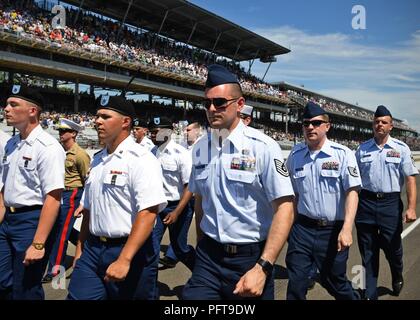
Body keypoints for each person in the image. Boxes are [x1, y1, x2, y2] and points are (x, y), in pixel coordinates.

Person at [183, 64, 295, 300]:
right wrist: (202, 243)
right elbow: (200, 200)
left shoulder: (263, 147)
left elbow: (285, 208)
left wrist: (263, 267)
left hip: (250, 258)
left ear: (240, 104)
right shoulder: (201, 148)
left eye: (220, 102)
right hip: (208, 257)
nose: (212, 109)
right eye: (207, 103)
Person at [67, 96, 167, 300]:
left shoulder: (142, 159)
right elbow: (88, 210)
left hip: (130, 250)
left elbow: (148, 212)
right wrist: (79, 249)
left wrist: (124, 259)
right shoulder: (98, 160)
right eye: (97, 116)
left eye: (105, 116)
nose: (97, 121)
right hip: (93, 249)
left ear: (125, 122)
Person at [285, 102, 361, 300]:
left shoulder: (343, 154)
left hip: (332, 230)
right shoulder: (295, 155)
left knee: (333, 280)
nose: (310, 127)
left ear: (327, 126)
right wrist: (288, 228)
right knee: (296, 280)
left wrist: (346, 229)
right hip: (302, 229)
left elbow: (352, 192)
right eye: (306, 123)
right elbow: (292, 195)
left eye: (316, 123)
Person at [0, 85, 65, 300]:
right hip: (7, 220)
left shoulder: (48, 147)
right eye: (7, 104)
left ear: (32, 111)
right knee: (3, 282)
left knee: (25, 288)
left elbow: (53, 199)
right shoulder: (11, 144)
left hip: (32, 220)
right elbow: (3, 189)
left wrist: (38, 243)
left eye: (13, 104)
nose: (6, 108)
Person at [355, 105, 418, 300]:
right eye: (376, 121)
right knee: (368, 252)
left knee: (392, 248)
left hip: (390, 204)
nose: (379, 125)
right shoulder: (361, 149)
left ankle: (397, 271)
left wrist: (411, 208)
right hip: (365, 203)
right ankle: (369, 293)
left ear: (391, 126)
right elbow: (353, 181)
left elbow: (410, 179)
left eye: (384, 122)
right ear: (372, 125)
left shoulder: (400, 149)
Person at [42, 118, 91, 283]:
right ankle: (85, 246)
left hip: (72, 194)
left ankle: (56, 269)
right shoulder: (58, 151)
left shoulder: (80, 154)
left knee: (60, 232)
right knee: (64, 230)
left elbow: (87, 181)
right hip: (59, 192)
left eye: (64, 131)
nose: (60, 134)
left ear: (74, 134)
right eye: (60, 131)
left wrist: (84, 203)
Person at [147, 116, 195, 274]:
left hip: (178, 206)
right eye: (151, 132)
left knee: (179, 248)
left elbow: (190, 186)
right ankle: (149, 290)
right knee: (151, 247)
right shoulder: (152, 152)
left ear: (169, 131)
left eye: (156, 132)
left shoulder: (181, 154)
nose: (153, 135)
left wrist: (177, 212)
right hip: (157, 206)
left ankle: (201, 273)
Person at [160, 121, 203, 269]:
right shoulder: (183, 147)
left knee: (181, 232)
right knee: (178, 233)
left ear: (198, 131)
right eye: (185, 130)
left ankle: (197, 261)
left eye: (189, 130)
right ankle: (173, 255)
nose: (185, 132)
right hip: (182, 194)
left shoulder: (203, 148)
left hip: (196, 195)